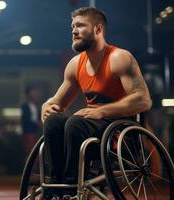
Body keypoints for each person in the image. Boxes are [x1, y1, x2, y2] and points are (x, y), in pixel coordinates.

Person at [41, 7, 152, 199]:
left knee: (75, 122)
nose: (74, 31)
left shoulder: (119, 58)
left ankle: (69, 187)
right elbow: (58, 101)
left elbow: (143, 99)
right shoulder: (76, 64)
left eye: (81, 26)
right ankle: (54, 187)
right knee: (54, 121)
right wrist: (47, 105)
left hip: (117, 127)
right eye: (73, 26)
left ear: (98, 29)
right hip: (89, 124)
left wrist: (103, 111)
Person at [21, 85, 41, 156]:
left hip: (36, 132)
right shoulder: (25, 106)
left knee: (37, 152)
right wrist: (36, 123)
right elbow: (26, 119)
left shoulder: (37, 106)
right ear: (29, 94)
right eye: (33, 93)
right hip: (29, 132)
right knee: (30, 152)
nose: (35, 94)